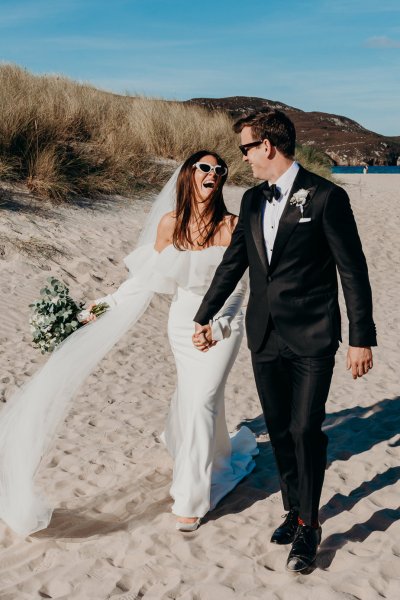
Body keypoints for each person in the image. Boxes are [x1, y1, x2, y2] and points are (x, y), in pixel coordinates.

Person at [0, 150, 257, 537]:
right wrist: (99, 307)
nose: (214, 174)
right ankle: (216, 456)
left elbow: (239, 289)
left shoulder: (232, 225)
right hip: (181, 326)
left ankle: (189, 500)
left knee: (202, 398)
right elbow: (143, 281)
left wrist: (217, 326)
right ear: (188, 175)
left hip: (222, 325)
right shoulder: (171, 224)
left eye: (219, 170)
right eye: (205, 167)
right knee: (200, 398)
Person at [193, 109, 377, 571]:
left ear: (268, 146)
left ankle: (311, 526)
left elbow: (352, 270)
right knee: (278, 431)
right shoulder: (252, 200)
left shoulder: (326, 196)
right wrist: (204, 315)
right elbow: (233, 263)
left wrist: (361, 338)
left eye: (247, 148)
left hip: (313, 335)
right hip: (265, 335)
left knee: (305, 430)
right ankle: (293, 511)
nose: (245, 158)